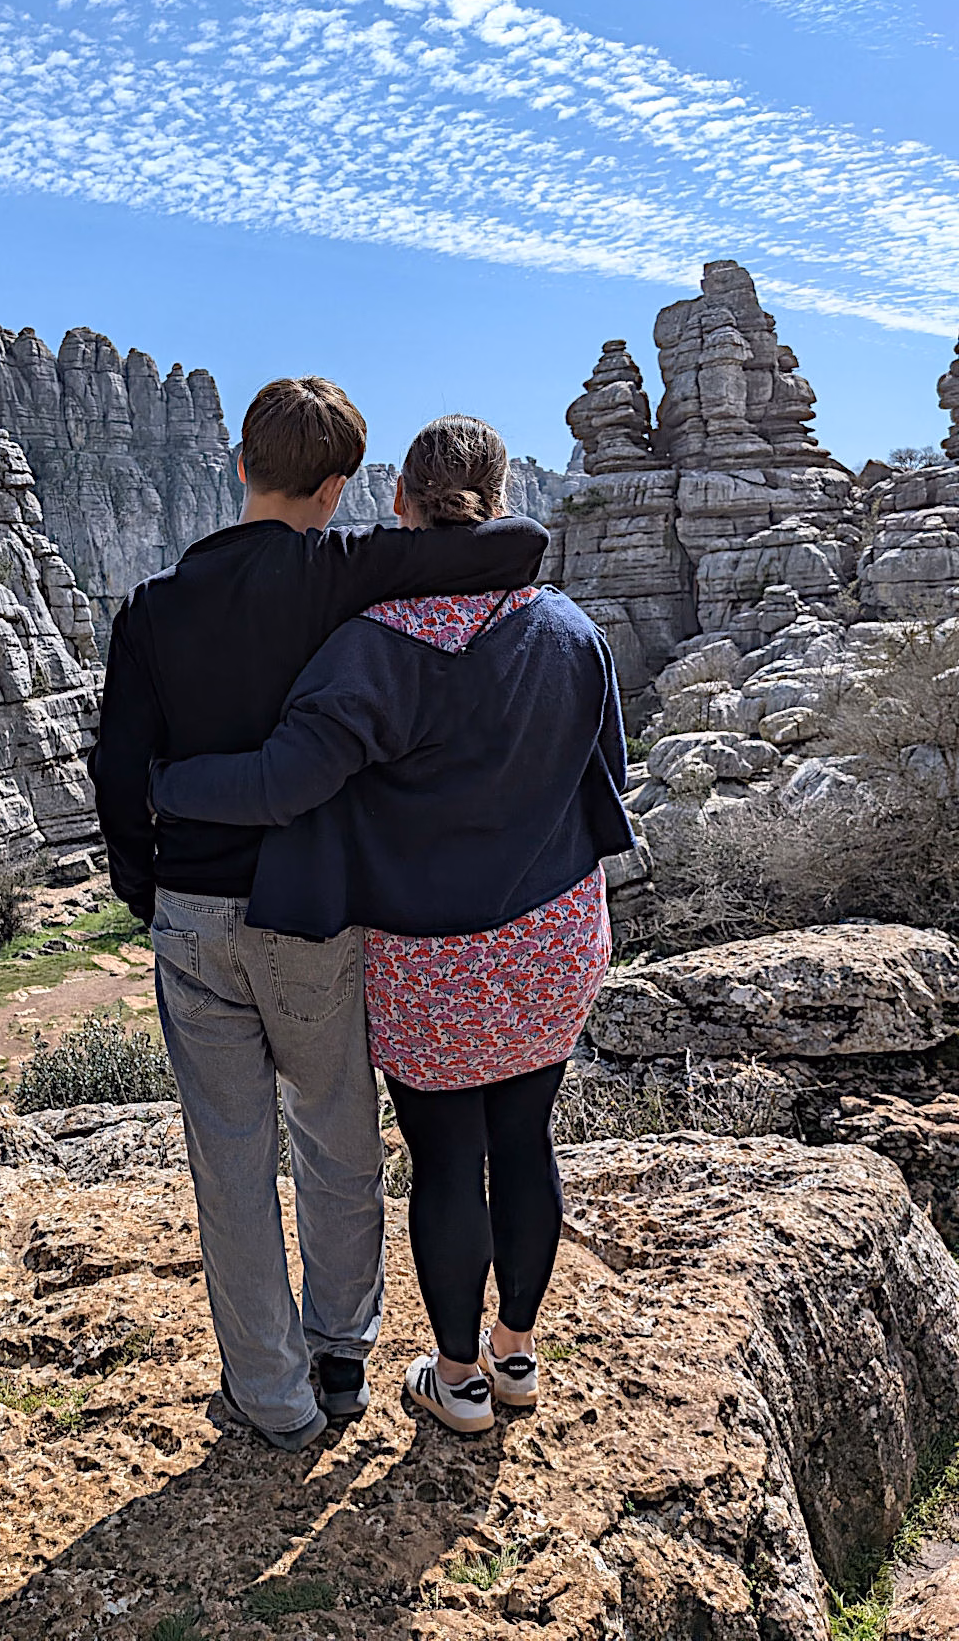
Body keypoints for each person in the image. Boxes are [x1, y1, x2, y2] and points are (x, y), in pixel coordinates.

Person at [150, 414, 634, 1436]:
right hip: (553, 941)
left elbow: (283, 784)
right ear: (501, 499)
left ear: (399, 503)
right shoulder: (571, 632)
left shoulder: (374, 647)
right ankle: (516, 1358)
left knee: (448, 1161)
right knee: (527, 1140)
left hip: (431, 959)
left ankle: (455, 1380)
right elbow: (609, 773)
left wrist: (168, 786)